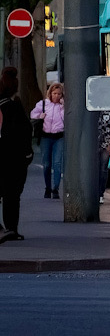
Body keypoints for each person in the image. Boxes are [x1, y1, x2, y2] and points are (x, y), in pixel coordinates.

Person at [0, 68, 32, 242]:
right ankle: (11, 229)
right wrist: (27, 155)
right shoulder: (14, 107)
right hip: (14, 159)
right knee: (12, 196)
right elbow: (24, 132)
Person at [30, 82, 64, 199]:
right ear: (50, 93)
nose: (57, 96)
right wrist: (40, 116)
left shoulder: (63, 106)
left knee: (57, 163)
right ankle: (47, 187)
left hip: (59, 136)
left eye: (59, 94)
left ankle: (55, 188)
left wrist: (63, 107)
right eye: (54, 93)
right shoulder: (43, 104)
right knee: (46, 164)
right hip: (46, 136)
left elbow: (66, 119)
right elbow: (32, 114)